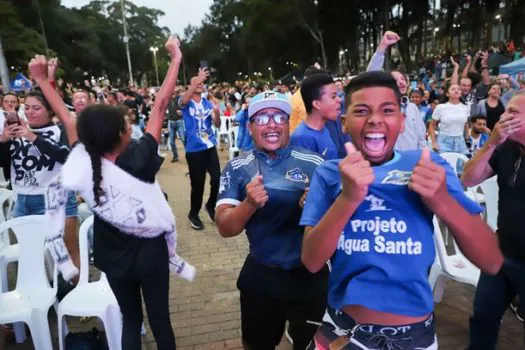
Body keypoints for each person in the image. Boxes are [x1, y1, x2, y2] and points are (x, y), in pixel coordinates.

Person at [300, 71, 503, 350]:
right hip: (341, 329)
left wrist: (442, 201)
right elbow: (311, 260)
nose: (374, 119)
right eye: (361, 111)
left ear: (402, 120)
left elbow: (491, 260)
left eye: (387, 110)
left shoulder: (428, 165)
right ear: (344, 122)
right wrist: (347, 198)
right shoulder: (330, 173)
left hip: (414, 336)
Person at [36, 36, 194, 350]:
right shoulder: (142, 156)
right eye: (125, 124)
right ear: (123, 135)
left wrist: (42, 80)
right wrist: (175, 58)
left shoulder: (83, 159)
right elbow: (161, 104)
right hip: (151, 255)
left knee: (131, 319)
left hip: (111, 255)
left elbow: (68, 119)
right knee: (160, 320)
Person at [215, 91, 328, 350]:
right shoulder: (238, 167)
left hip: (309, 277)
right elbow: (225, 227)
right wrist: (249, 204)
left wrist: (317, 209)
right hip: (262, 276)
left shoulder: (315, 164)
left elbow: (337, 224)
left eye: (279, 116)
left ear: (288, 122)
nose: (272, 124)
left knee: (312, 347)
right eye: (262, 118)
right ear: (250, 126)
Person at [462, 92, 525, 350]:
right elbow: (468, 179)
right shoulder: (505, 148)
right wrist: (490, 144)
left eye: (513, 113)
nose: (503, 118)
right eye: (505, 111)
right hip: (501, 253)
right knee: (483, 317)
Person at [367, 31, 427, 151]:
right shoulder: (382, 108)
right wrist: (382, 46)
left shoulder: (412, 107)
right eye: (395, 80)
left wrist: (423, 157)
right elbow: (370, 77)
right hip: (390, 161)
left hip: (413, 161)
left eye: (403, 79)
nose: (401, 82)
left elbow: (421, 138)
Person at [178, 68, 221, 230]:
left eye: (202, 82)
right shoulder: (186, 102)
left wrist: (216, 114)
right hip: (194, 149)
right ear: (190, 85)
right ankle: (193, 213)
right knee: (198, 184)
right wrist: (197, 79)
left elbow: (217, 124)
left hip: (210, 146)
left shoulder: (207, 103)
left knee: (217, 179)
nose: (200, 84)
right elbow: (183, 101)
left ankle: (211, 205)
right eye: (197, 82)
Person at [291, 73, 341, 160]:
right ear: (317, 104)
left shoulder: (324, 129)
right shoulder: (302, 139)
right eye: (333, 97)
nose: (339, 99)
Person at [428, 84, 470, 154]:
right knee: (443, 164)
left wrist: (467, 139)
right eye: (453, 89)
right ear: (447, 94)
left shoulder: (466, 107)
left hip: (460, 141)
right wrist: (434, 143)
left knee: (461, 164)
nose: (456, 91)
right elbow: (431, 125)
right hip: (444, 140)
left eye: (458, 89)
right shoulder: (440, 107)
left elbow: (466, 124)